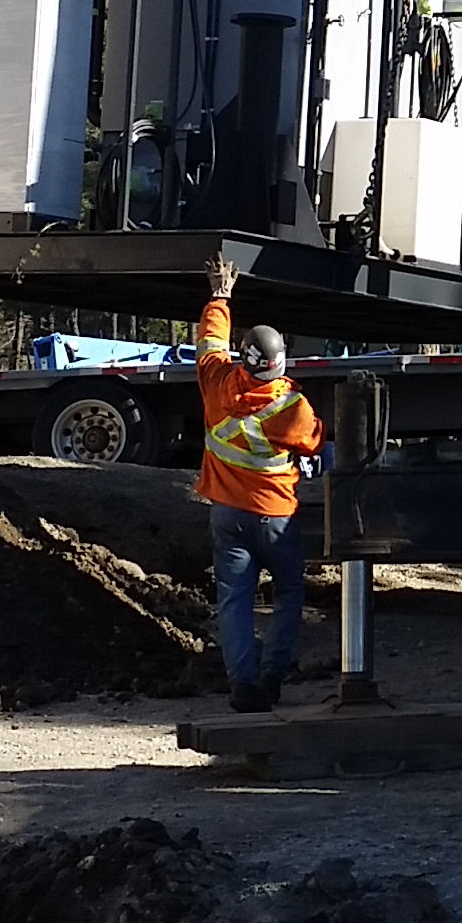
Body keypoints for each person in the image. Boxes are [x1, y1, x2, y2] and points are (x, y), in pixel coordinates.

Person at [196, 256, 325, 712]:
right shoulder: (291, 406)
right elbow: (315, 443)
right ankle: (272, 677)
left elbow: (211, 340)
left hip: (227, 515)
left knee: (234, 599)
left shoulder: (216, 382)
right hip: (276, 517)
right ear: (279, 363)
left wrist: (220, 294)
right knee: (289, 593)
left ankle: (243, 685)